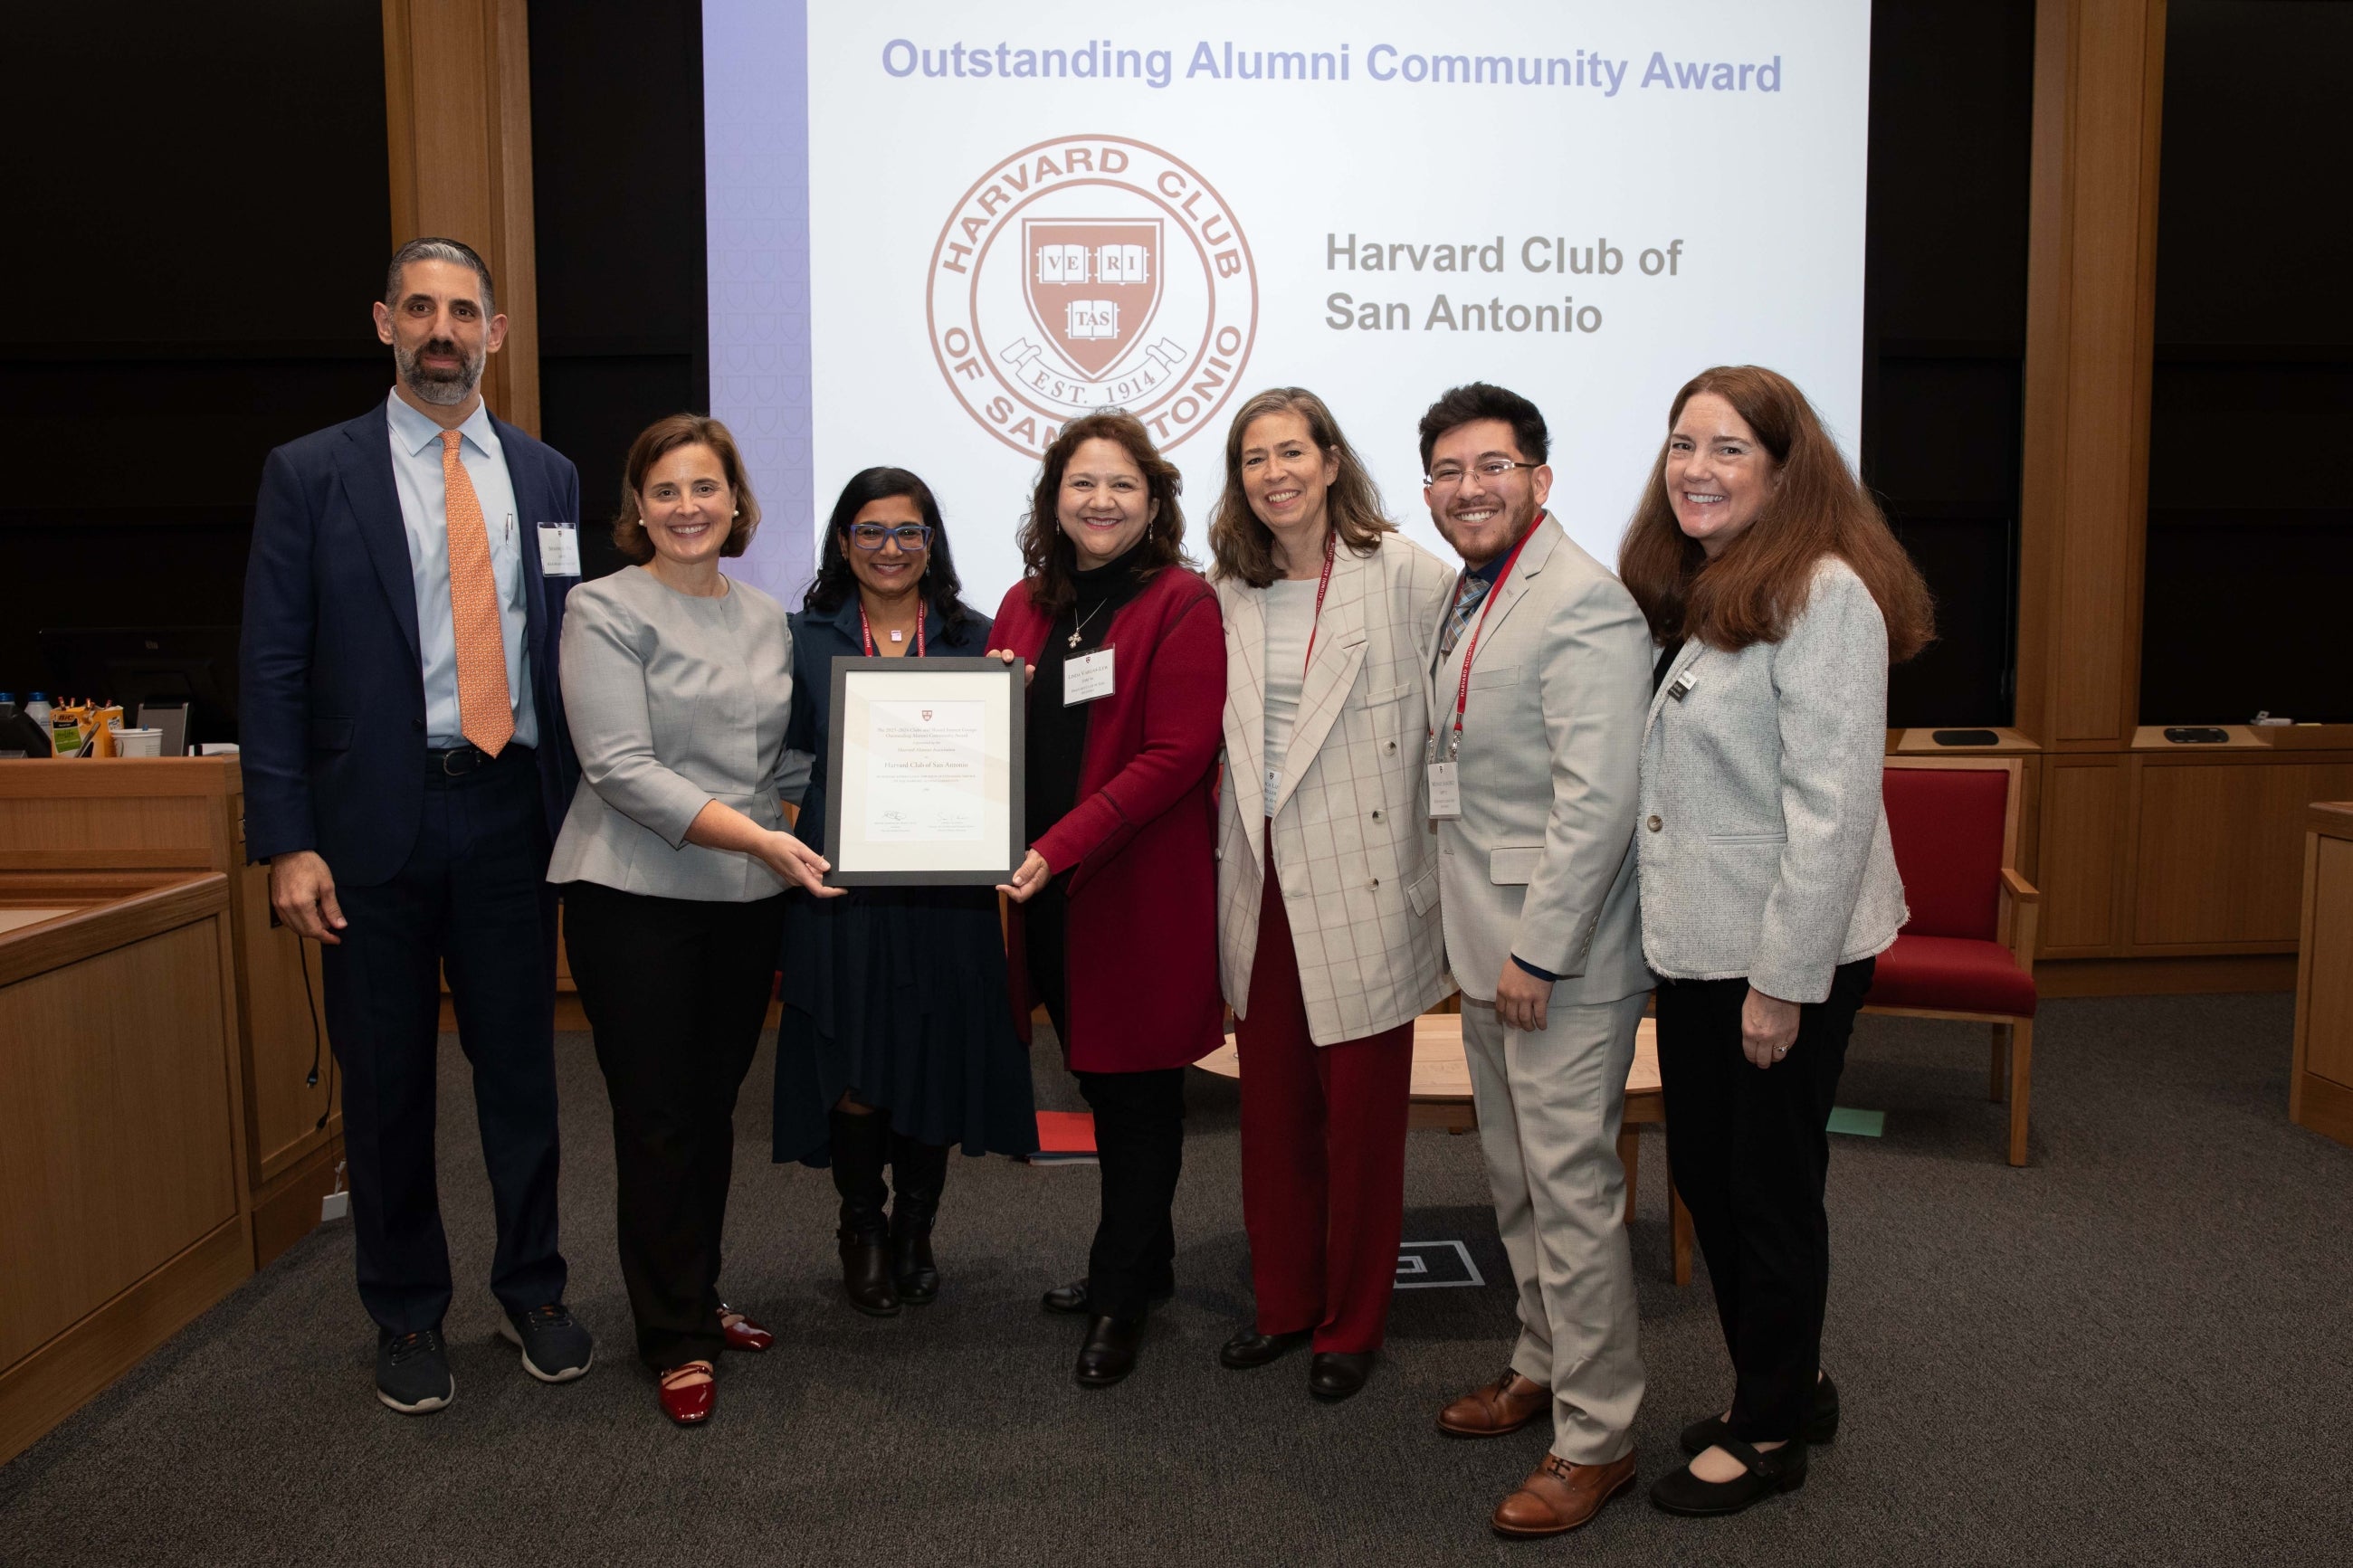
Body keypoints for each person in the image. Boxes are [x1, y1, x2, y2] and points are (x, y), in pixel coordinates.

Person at [241, 237, 593, 1415]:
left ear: (497, 331)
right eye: (421, 308)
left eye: (465, 311)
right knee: (387, 1086)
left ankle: (533, 1287)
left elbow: (564, 652)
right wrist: (286, 837)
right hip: (365, 830)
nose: (443, 329)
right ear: (385, 322)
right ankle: (404, 1309)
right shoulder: (311, 473)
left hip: (509, 812)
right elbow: (273, 665)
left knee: (523, 1076)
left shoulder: (548, 479)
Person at [1620, 366, 1930, 1516]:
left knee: (1767, 1186)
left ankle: (1763, 1433)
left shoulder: (1825, 592)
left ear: (1783, 468)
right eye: (1678, 444)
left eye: (1726, 449)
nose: (1693, 468)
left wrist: (1782, 984)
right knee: (1710, 1168)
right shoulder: (1707, 581)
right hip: (1700, 943)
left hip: (1780, 953)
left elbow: (1832, 807)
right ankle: (1788, 1379)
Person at [548, 413, 841, 1427]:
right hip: (634, 896)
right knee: (659, 1118)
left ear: (735, 501)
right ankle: (669, 1333)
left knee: (708, 1112)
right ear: (638, 508)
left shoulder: (767, 618)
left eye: (705, 488)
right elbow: (619, 767)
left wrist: (819, 821)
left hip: (743, 904)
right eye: (665, 491)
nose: (687, 508)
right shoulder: (601, 607)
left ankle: (697, 1296)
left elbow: (786, 760)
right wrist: (762, 838)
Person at [1415, 384, 1654, 1536]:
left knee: (1570, 1192)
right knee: (1514, 1178)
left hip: (1553, 960)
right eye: (1450, 471)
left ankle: (1597, 1433)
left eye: (1493, 466)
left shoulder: (1585, 606)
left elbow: (1599, 801)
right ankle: (1539, 1357)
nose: (1471, 488)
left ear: (1540, 478)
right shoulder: (1469, 595)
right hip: (1484, 943)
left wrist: (1537, 952)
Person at [1205, 388, 1453, 1402]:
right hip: (1257, 882)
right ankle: (1284, 1303)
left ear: (1331, 460)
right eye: (1254, 458)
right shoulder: (1223, 588)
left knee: (1358, 1126)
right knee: (1270, 1120)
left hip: (1363, 883)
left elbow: (1455, 722)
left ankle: (1351, 1322)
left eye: (1291, 451)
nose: (1275, 473)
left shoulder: (1404, 575)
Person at [985, 412, 1225, 1389]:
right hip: (1038, 891)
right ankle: (1145, 1259)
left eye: (1121, 484)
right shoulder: (1020, 602)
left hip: (1125, 892)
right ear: (1053, 498)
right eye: (1080, 482)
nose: (1099, 500)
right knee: (1096, 1079)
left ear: (1154, 499)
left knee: (1135, 1098)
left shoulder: (1181, 602)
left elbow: (1176, 756)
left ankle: (1121, 1288)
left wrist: (1058, 845)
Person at [774, 468, 1038, 1317]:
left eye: (909, 532)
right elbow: (782, 755)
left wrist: (1014, 699)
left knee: (931, 1056)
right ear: (843, 543)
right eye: (872, 532)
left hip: (946, 890)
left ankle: (919, 1226)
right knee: (852, 1062)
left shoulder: (976, 637)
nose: (891, 549)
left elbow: (1008, 759)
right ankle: (864, 1227)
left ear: (933, 543)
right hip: (842, 887)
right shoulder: (803, 635)